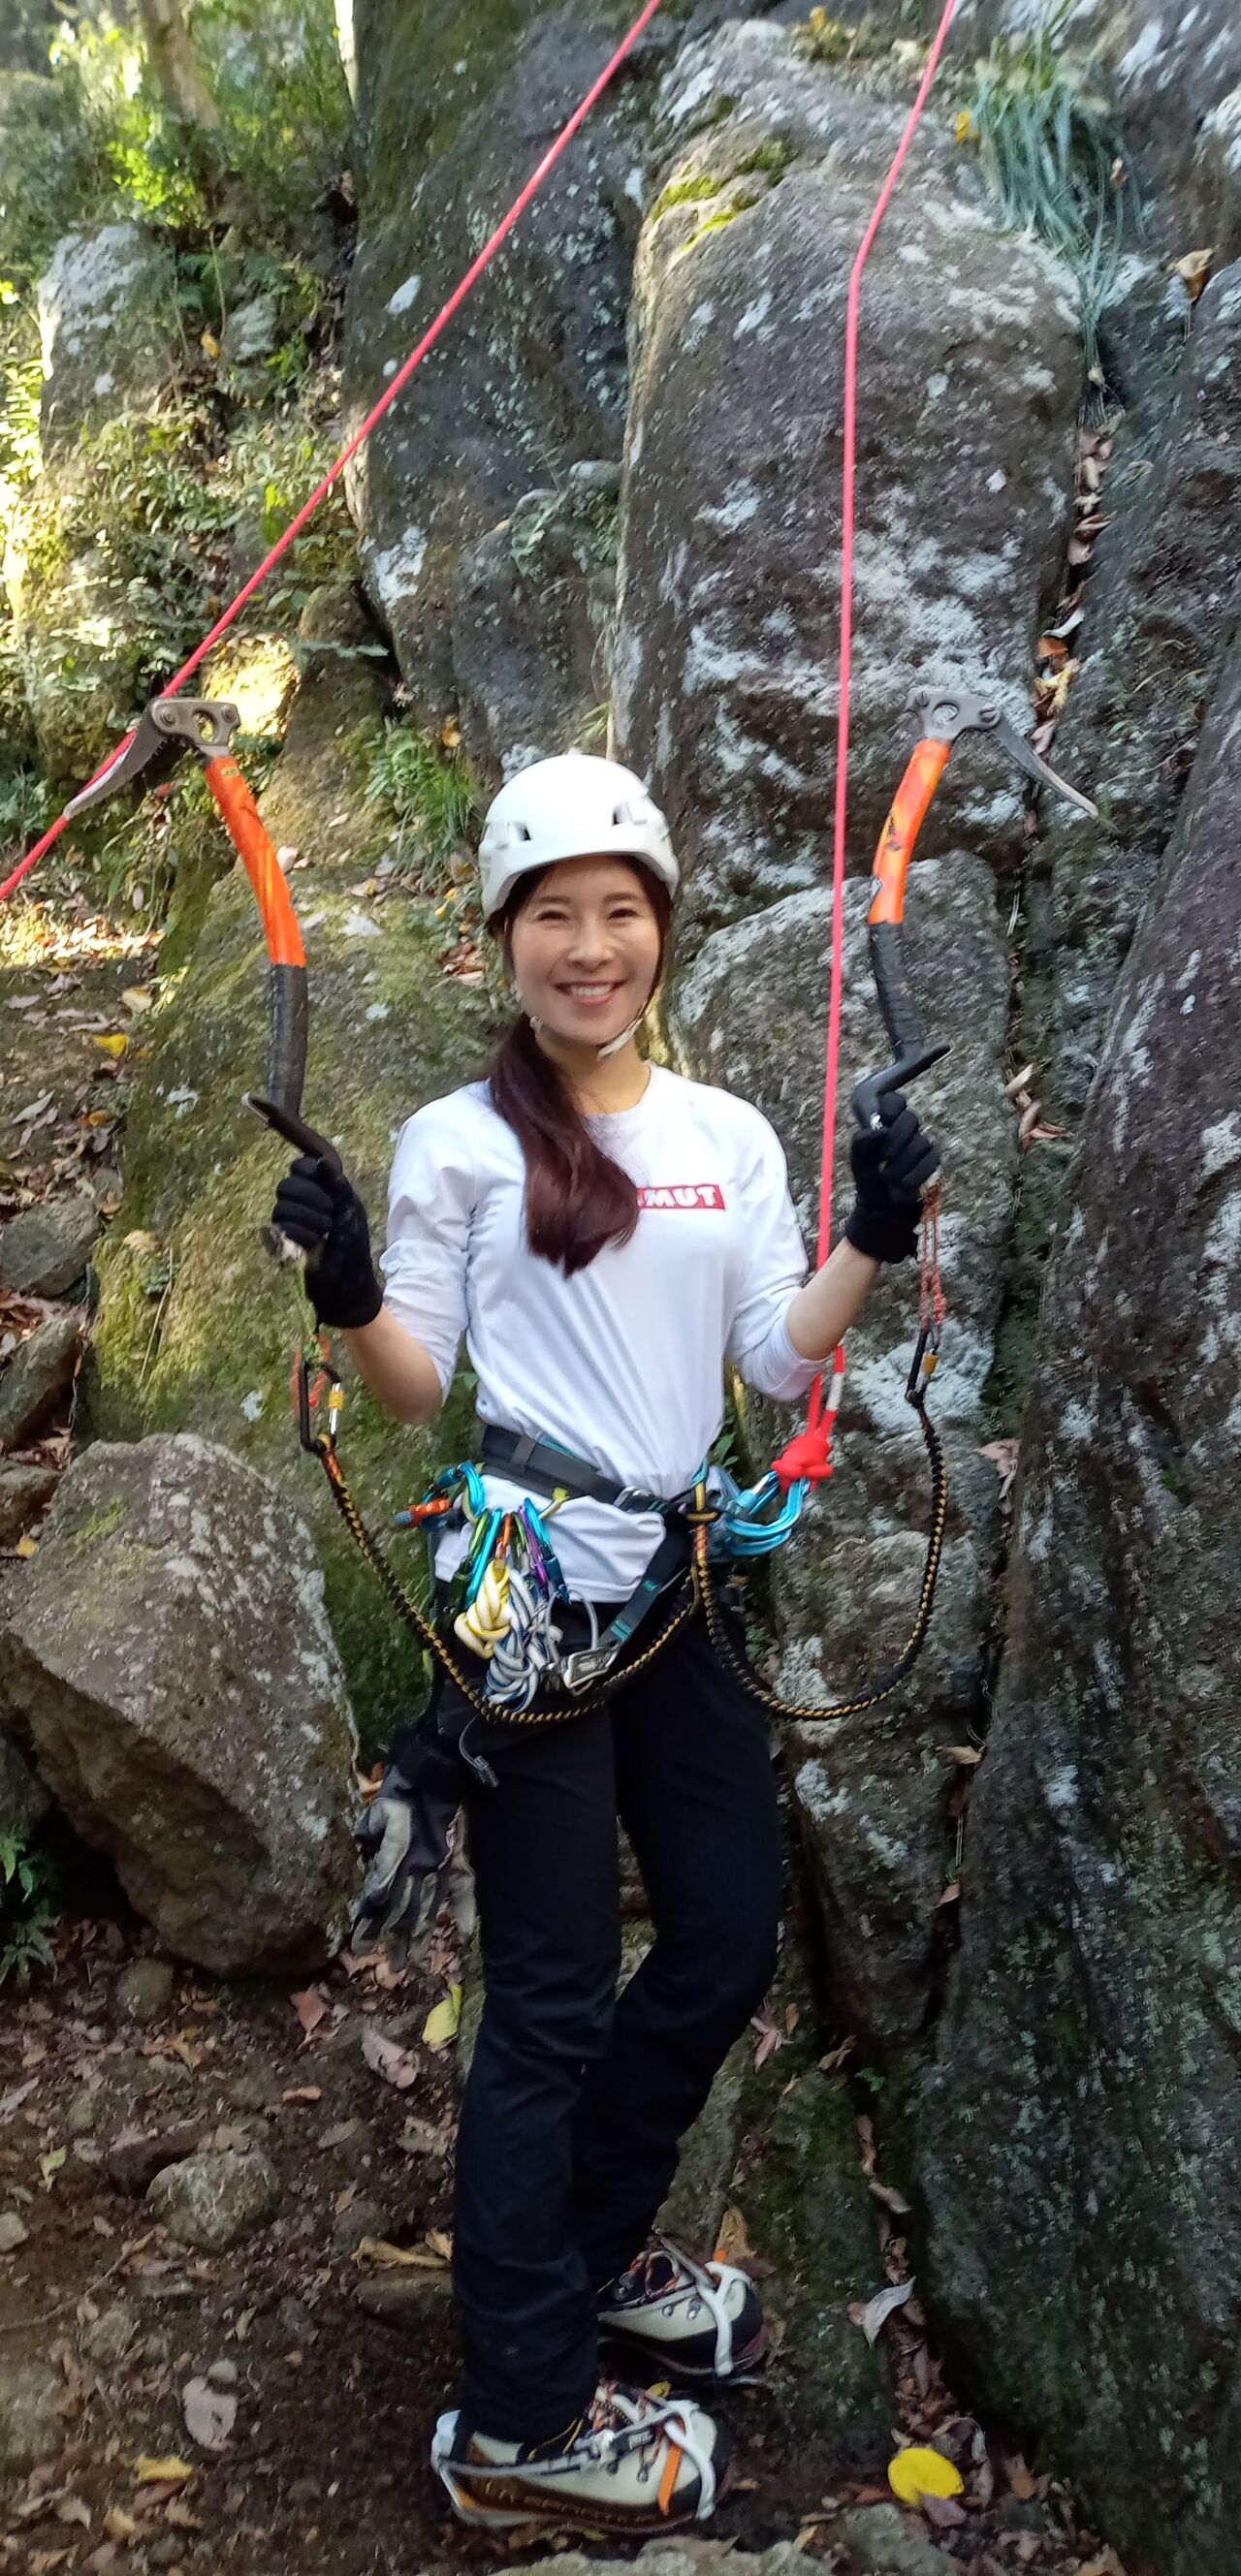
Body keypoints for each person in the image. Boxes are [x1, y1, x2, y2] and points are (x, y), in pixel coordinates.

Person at [271, 752, 939, 2538]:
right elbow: (415, 1384)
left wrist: (871, 1235)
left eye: (619, 911)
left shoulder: (724, 1135)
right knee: (554, 1999)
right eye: (553, 914)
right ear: (506, 937)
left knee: (721, 1936)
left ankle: (577, 2250)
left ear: (661, 928)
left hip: (681, 1584)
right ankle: (518, 2417)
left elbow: (777, 1361)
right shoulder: (458, 1139)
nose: (589, 946)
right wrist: (348, 1291)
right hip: (531, 1603)